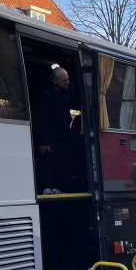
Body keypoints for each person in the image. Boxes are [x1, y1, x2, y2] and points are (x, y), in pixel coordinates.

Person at [38, 66, 79, 195]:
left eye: (68, 79)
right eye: (63, 80)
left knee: (59, 157)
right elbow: (41, 118)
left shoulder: (69, 88)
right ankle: (46, 186)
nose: (67, 82)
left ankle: (55, 185)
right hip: (48, 128)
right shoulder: (44, 92)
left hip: (63, 128)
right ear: (54, 81)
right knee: (46, 155)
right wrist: (44, 142)